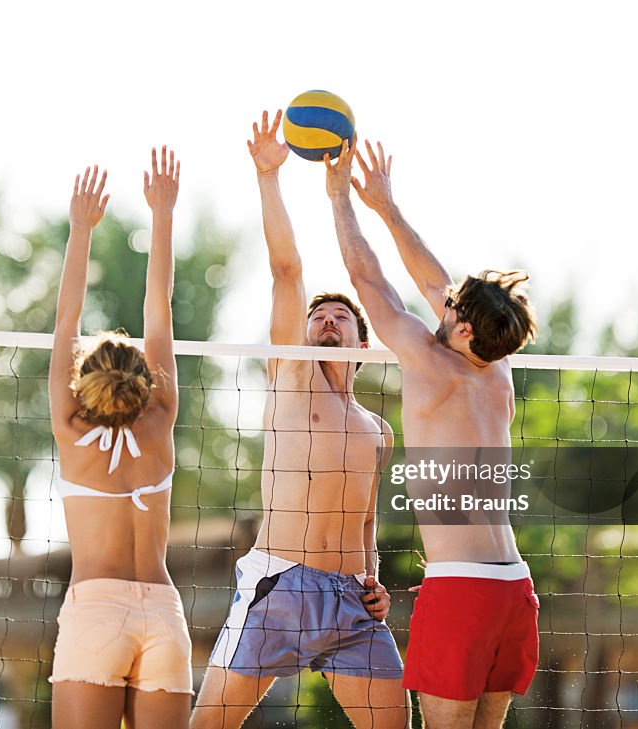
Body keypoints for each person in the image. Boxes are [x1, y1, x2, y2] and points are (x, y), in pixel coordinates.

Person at [192, 112, 409, 729]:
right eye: (319, 317)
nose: (327, 322)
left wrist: (372, 580)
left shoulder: (376, 430)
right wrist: (268, 178)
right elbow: (286, 270)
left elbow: (366, 517)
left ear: (364, 346)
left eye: (341, 317)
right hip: (277, 587)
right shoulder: (291, 378)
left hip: (350, 605)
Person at [324, 138, 540, 729]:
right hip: (513, 590)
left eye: (452, 308)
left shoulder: (428, 360)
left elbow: (367, 278)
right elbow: (436, 283)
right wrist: (388, 208)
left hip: (463, 591)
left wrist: (341, 195)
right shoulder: (497, 371)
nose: (441, 304)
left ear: (465, 328)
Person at [47, 150, 191, 729]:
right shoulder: (161, 418)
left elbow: (65, 320)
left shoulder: (70, 428)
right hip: (163, 614)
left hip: (95, 612)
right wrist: (163, 214)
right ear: (144, 380)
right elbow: (160, 312)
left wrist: (80, 229)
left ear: (86, 380)